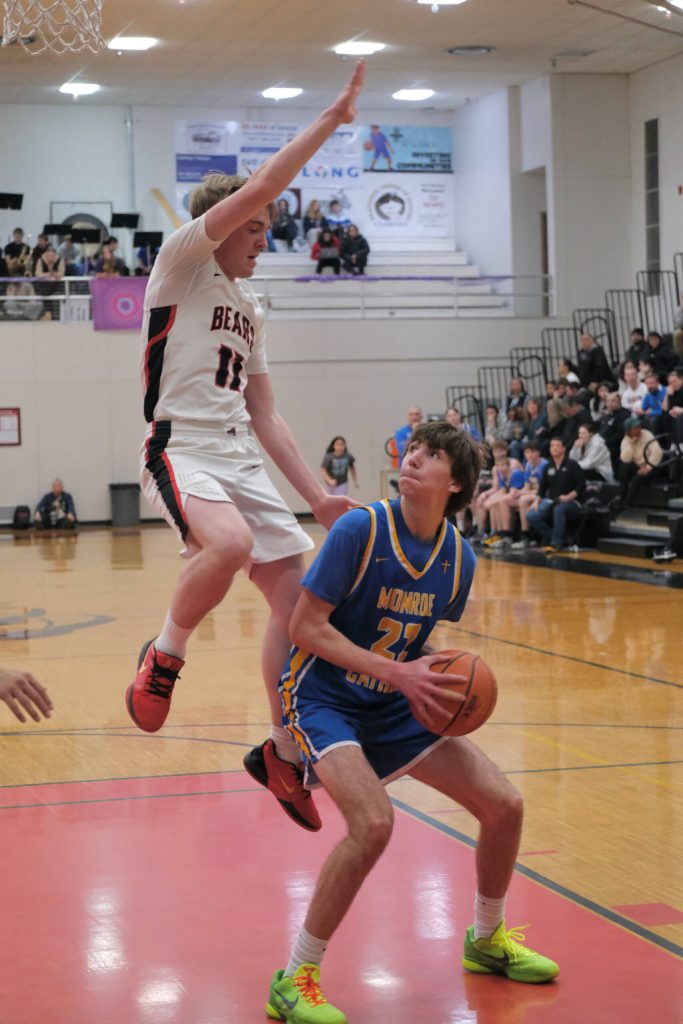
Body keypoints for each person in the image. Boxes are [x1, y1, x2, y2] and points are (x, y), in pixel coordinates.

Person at [125, 62, 366, 837]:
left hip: (237, 453)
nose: (267, 237)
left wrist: (315, 494)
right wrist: (328, 122)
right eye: (258, 227)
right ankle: (163, 656)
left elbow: (266, 412)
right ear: (225, 226)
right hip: (178, 445)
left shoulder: (252, 306)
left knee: (298, 610)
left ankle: (283, 751)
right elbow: (262, 186)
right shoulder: (182, 264)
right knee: (224, 545)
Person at [264, 421, 559, 1023]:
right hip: (322, 694)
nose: (415, 458)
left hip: (391, 699)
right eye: (414, 450)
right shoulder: (360, 529)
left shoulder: (459, 560)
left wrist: (437, 675)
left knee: (505, 805)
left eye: (433, 455)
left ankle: (486, 940)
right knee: (373, 823)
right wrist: (398, 673)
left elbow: (417, 643)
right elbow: (304, 629)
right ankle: (295, 977)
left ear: (456, 484)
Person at [526, 437, 586, 553]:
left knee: (559, 509)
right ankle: (557, 536)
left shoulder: (572, 465)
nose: (554, 448)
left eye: (557, 445)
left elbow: (582, 486)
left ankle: (556, 543)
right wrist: (536, 501)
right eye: (552, 446)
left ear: (563, 448)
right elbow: (542, 488)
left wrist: (569, 496)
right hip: (552, 501)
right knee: (531, 515)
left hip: (573, 502)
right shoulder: (548, 466)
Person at [615, 417, 664, 510]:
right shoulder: (626, 440)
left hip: (652, 466)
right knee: (623, 468)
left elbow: (657, 452)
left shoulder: (647, 434)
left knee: (636, 479)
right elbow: (626, 459)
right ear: (629, 430)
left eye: (639, 426)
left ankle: (626, 504)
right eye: (635, 428)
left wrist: (648, 467)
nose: (639, 429)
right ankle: (621, 499)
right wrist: (631, 445)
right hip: (637, 465)